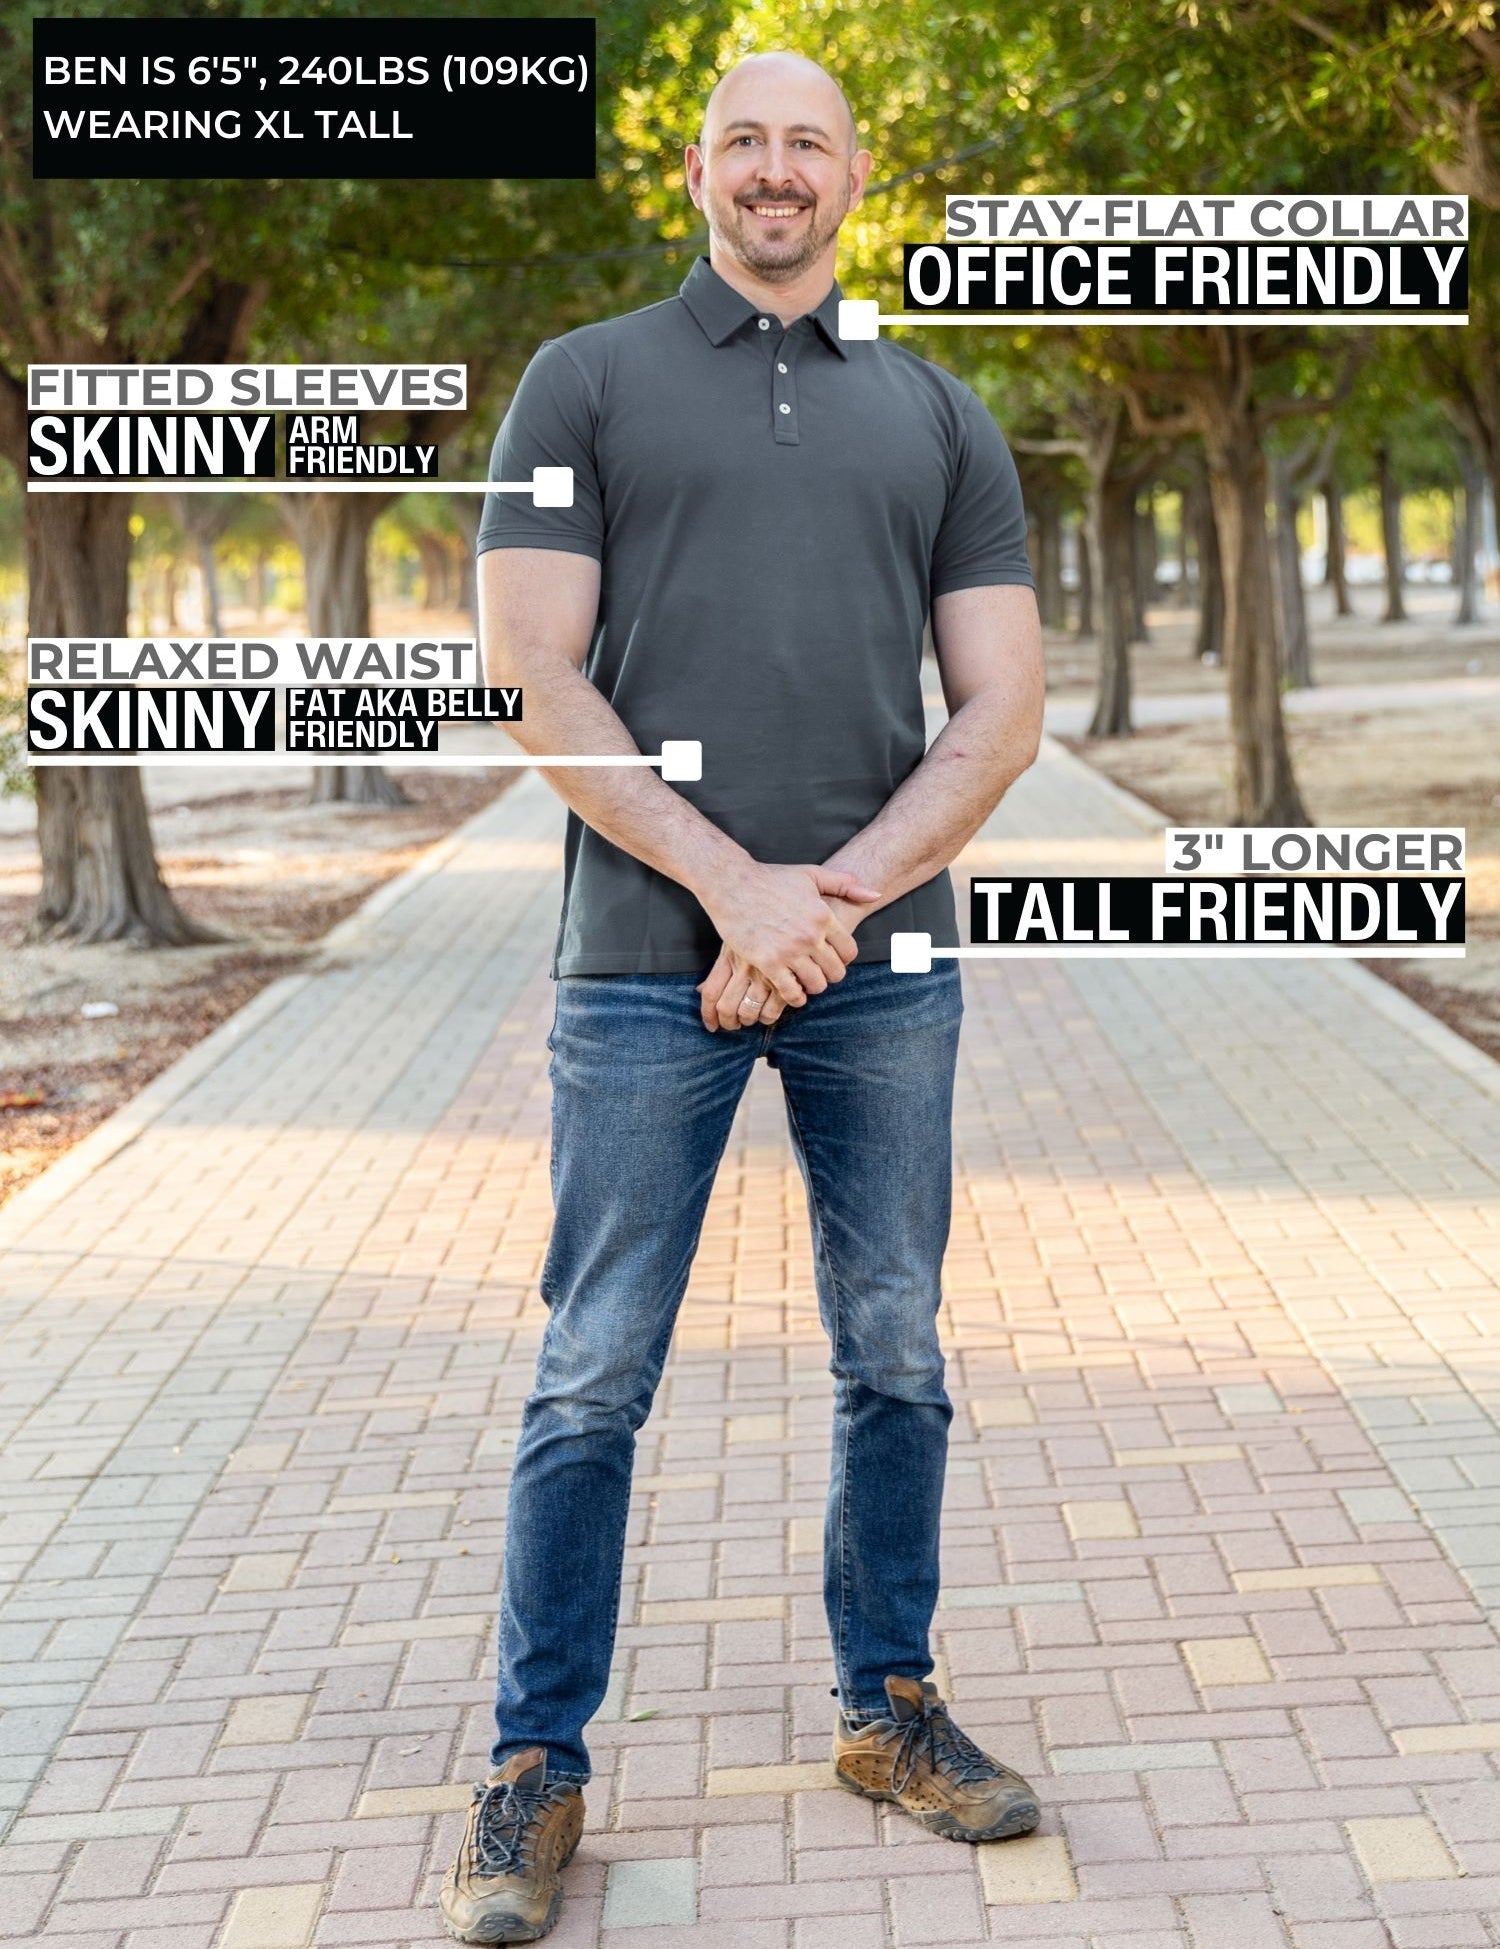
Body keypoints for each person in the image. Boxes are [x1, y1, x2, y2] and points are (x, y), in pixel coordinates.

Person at [440, 49, 1046, 1945]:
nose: (776, 170)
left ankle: (890, 1705)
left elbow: (1005, 708)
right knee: (591, 1367)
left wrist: (833, 901)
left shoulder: (941, 412)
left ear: (859, 174)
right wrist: (730, 888)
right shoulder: (584, 379)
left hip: (882, 967)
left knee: (900, 1351)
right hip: (638, 960)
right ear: (695, 168)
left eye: (810, 141)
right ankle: (537, 1762)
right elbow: (531, 669)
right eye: (745, 140)